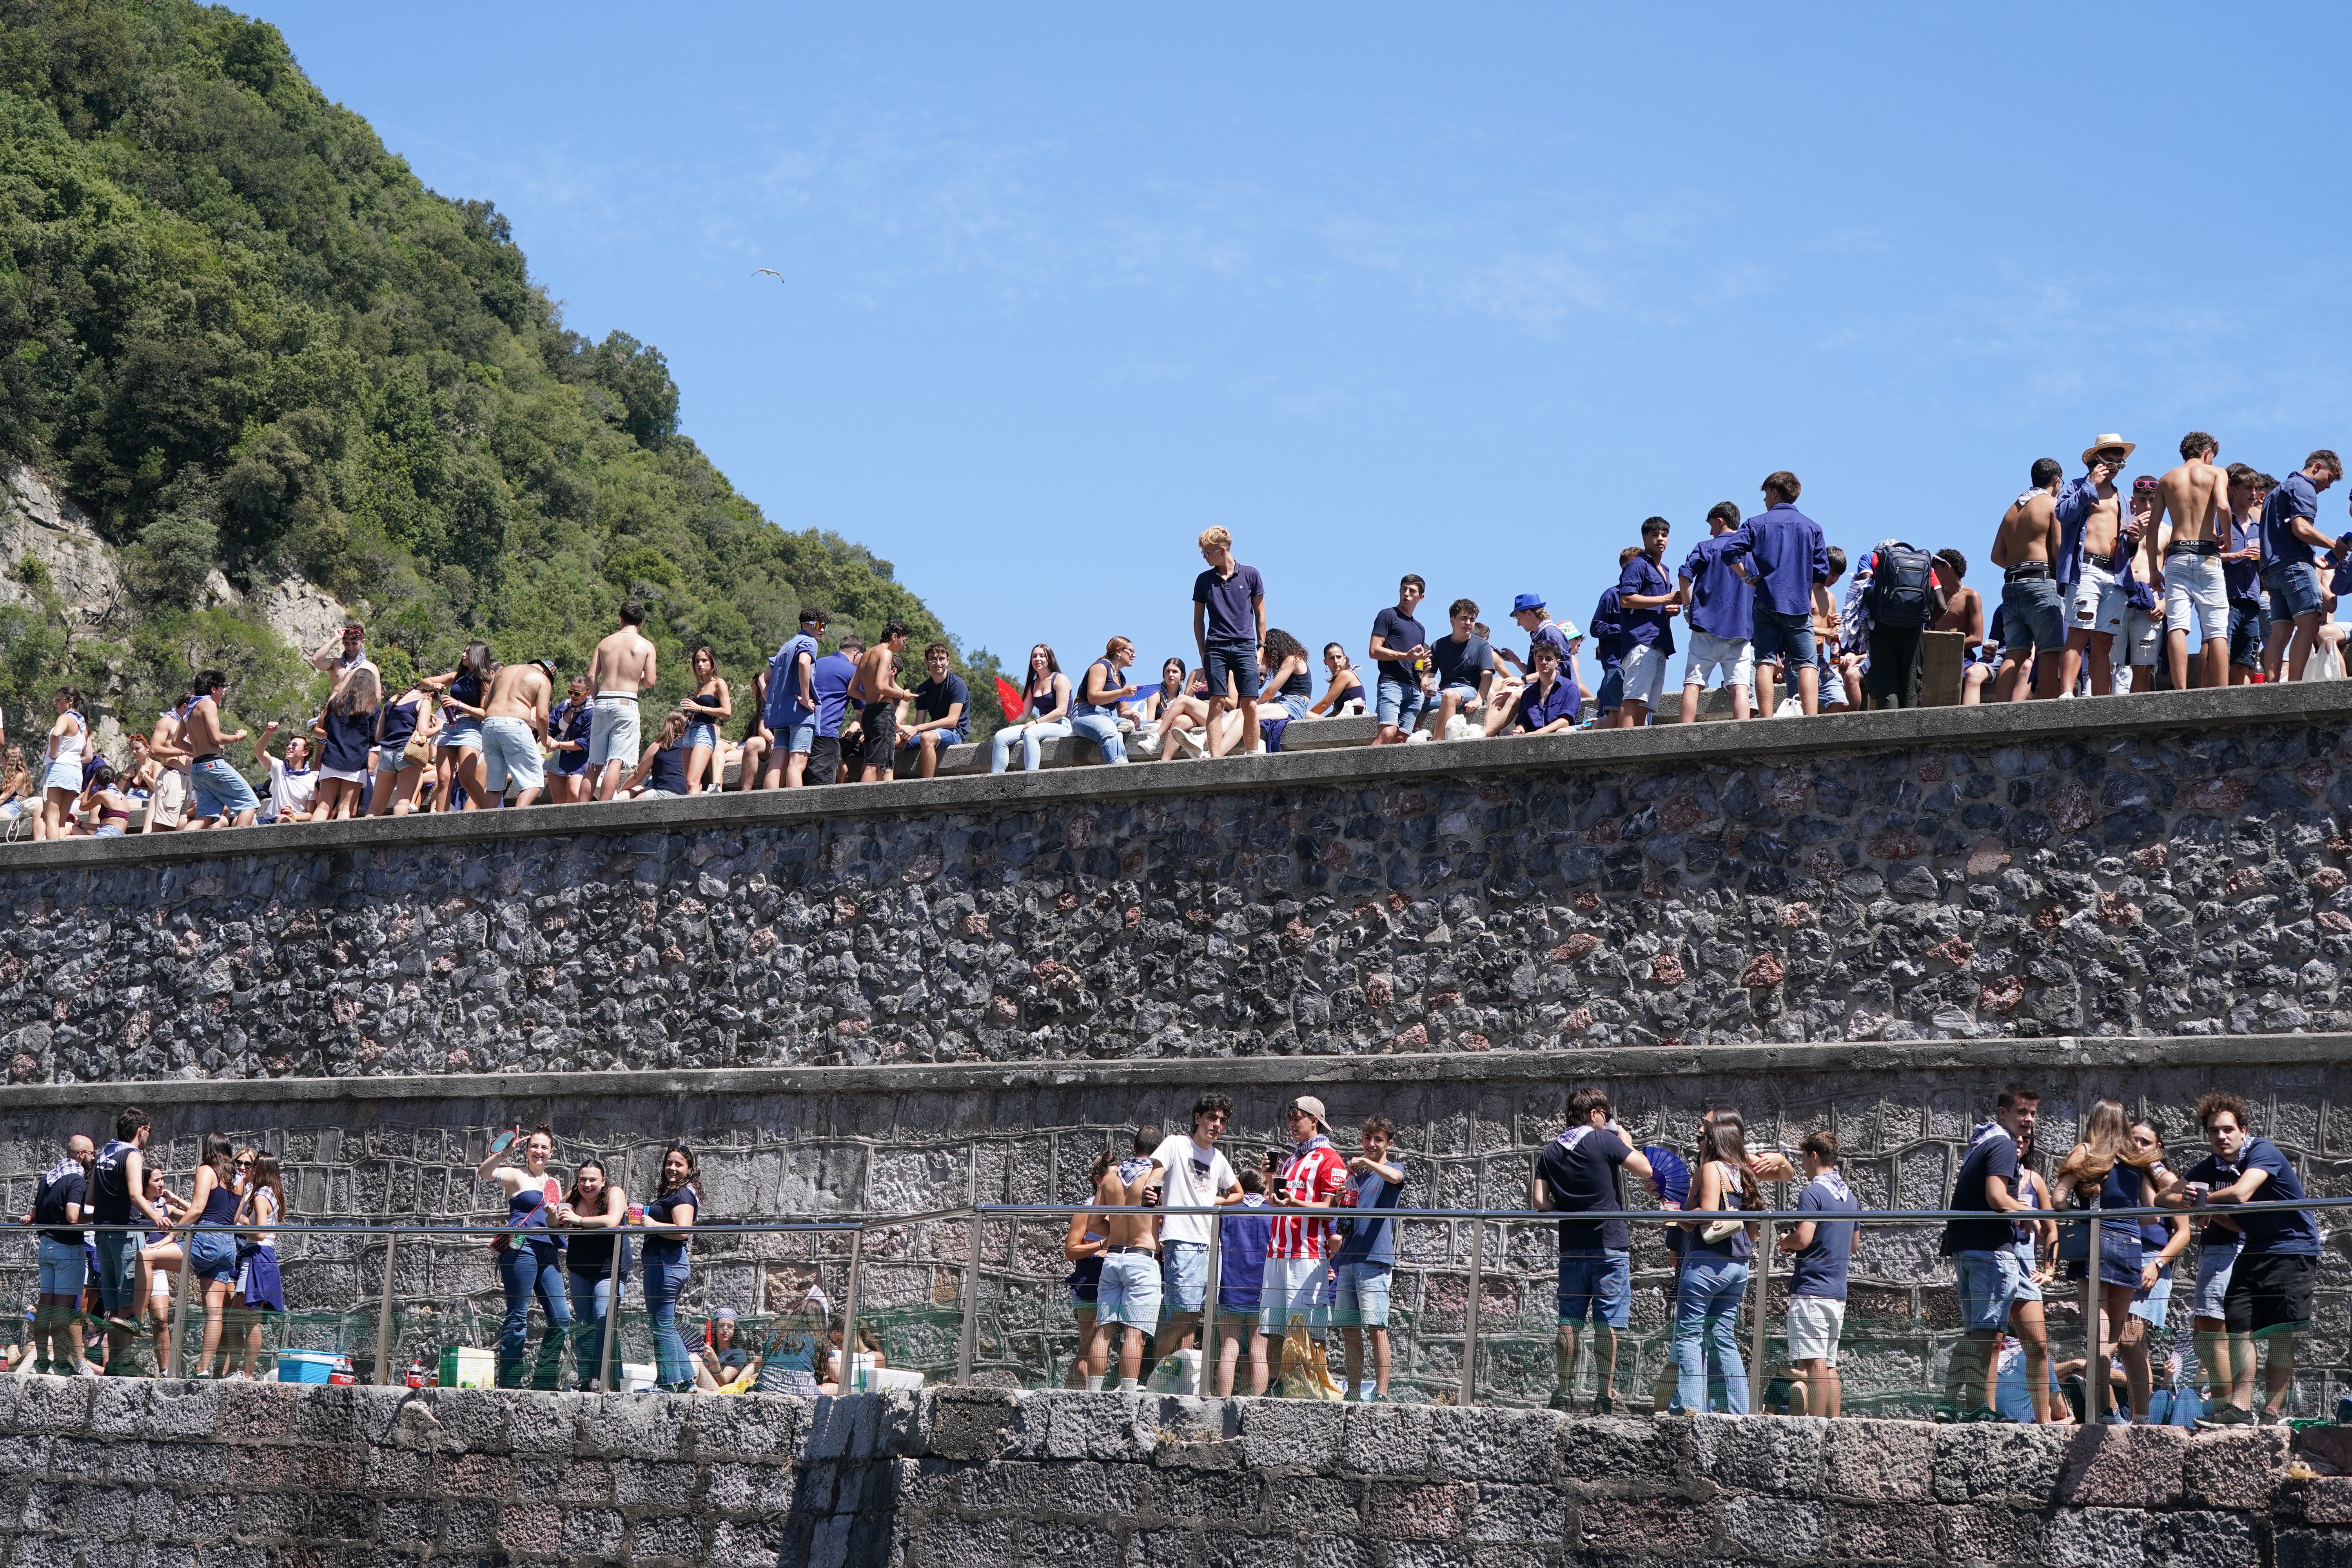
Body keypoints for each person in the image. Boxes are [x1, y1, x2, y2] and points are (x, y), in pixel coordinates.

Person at [2157, 1091, 2320, 1426]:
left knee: (2280, 1334)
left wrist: (2202, 1202)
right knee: (2238, 1328)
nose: (2222, 1136)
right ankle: (2241, 1409)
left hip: (2292, 1248)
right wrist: (2195, 1202)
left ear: (2243, 1131)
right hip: (2255, 1248)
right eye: (2214, 1131)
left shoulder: (2263, 1151)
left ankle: (2271, 1414)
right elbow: (2163, 1197)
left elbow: (2241, 1193)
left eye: (2228, 1129)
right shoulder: (2213, 1166)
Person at [2051, 1098, 2161, 1424]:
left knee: (2096, 1331)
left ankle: (2101, 1411)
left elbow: (2058, 1200)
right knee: (2113, 1334)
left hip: (2096, 1241)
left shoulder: (2086, 1151)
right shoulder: (2136, 1159)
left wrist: (2082, 1213)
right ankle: (2123, 1413)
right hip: (2130, 1246)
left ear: (2094, 1121)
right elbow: (2153, 1215)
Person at [1938, 1084, 2040, 1421]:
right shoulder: (2004, 1144)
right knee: (1988, 1333)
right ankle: (1979, 1407)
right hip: (1990, 1250)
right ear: (2002, 1113)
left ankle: (1956, 1405)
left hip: (1967, 1247)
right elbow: (1997, 1197)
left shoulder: (1982, 1142)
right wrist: (2030, 1214)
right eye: (2021, 1111)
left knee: (1975, 1332)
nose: (2028, 1119)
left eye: (2033, 1113)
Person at [1719, 475, 1830, 716]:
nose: (1765, 500)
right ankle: (1811, 719)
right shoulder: (1812, 527)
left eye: (1766, 494)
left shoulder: (1756, 523)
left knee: (1765, 661)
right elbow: (1821, 573)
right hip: (1798, 604)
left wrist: (1748, 578)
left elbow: (1729, 552)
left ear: (1775, 492)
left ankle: (1767, 720)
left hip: (1766, 599)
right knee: (1807, 664)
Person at [1147, 1093, 1240, 1368]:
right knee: (1179, 1316)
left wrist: (1213, 1201)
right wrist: (1151, 1188)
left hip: (1210, 1243)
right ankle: (1159, 1376)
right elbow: (1156, 1175)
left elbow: (1238, 1194)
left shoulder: (1219, 1158)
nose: (1217, 1125)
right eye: (1212, 1117)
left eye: (1223, 1121)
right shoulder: (1176, 1144)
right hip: (1182, 1239)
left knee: (1193, 1317)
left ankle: (1182, 1378)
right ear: (1198, 1118)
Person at [476, 1124, 572, 1390]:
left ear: (552, 1152)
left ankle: (544, 1380)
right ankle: (511, 1382)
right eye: (534, 1147)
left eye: (544, 1147)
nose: (539, 1151)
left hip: (548, 1249)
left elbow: (553, 1224)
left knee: (562, 1318)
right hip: (522, 1247)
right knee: (518, 1315)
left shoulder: (554, 1183)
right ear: (527, 1149)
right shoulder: (516, 1176)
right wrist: (504, 1152)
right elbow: (484, 1173)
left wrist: (553, 1214)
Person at [1264, 1096, 1349, 1373]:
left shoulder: (1331, 1159)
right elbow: (1277, 1203)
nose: (1291, 1123)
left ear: (1314, 1121)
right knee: (1273, 1333)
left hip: (1308, 1255)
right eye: (1289, 1118)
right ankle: (1276, 1388)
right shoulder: (1291, 1159)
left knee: (1307, 1334)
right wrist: (1270, 1177)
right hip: (1277, 1253)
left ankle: (1309, 1389)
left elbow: (1329, 1210)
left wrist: (1295, 1202)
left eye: (1296, 1118)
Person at [1777, 1130, 1856, 1417]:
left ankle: (1818, 1427)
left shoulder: (1812, 1193)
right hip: (1837, 1291)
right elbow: (1853, 1245)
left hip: (1811, 1289)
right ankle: (1835, 1426)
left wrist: (1786, 1240)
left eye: (1803, 1158)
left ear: (1814, 1156)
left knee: (1814, 1364)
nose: (1802, 1165)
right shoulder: (1850, 1198)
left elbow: (1803, 1238)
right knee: (1830, 1365)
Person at [2150, 432, 2233, 691]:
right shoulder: (2216, 473)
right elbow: (2223, 506)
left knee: (2177, 625)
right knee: (2216, 628)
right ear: (2207, 452)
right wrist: (2228, 536)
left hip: (2176, 555)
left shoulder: (2167, 479)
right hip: (2207, 553)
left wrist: (2154, 569)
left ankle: (2181, 692)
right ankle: (2222, 692)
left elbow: (2153, 528)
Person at [2054, 435, 2135, 697]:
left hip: (2115, 573)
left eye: (2119, 464)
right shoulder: (2078, 486)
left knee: (2104, 642)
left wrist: (2134, 539)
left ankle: (2102, 701)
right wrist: (2090, 485)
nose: (2114, 468)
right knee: (2078, 634)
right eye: (2109, 462)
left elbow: (2126, 545)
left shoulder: (2122, 497)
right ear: (2095, 461)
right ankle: (2067, 693)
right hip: (2085, 569)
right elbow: (2062, 514)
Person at [1332, 1115, 1405, 1403]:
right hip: (1348, 1259)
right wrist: (1340, 1199)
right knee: (1349, 1330)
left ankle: (1382, 1393)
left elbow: (1396, 1179)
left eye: (1378, 1139)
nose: (1371, 1144)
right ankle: (1353, 1391)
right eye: (1367, 1138)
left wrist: (1365, 1162)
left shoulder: (1392, 1168)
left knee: (1376, 1328)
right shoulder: (1356, 1178)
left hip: (1374, 1259)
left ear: (1389, 1143)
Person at [2122, 1122, 2191, 1421]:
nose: (2138, 1146)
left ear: (2158, 1148)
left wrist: (2157, 1264)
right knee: (2129, 1344)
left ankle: (2142, 1418)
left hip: (2151, 1259)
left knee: (2130, 1339)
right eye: (2133, 1140)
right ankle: (2134, 1416)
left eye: (2145, 1142)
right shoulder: (2123, 1174)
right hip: (2121, 1256)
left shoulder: (2167, 1179)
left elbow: (2184, 1233)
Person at [88, 1107, 163, 1370]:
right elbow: (135, 1194)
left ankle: (114, 1365)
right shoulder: (132, 1155)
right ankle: (125, 1363)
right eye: (149, 1131)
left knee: (114, 1308)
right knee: (129, 1305)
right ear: (141, 1131)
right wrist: (156, 1217)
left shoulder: (104, 1155)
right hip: (126, 1235)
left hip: (102, 1236)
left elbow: (90, 1199)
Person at [1087, 1130, 1163, 1392]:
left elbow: (1094, 1223)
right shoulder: (1155, 1179)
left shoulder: (1110, 1178)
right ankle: (1129, 1394)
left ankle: (1093, 1393)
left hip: (1113, 1258)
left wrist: (1116, 1233)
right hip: (1142, 1259)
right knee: (1134, 1333)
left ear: (1133, 1147)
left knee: (1104, 1331)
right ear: (1159, 1152)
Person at [2260, 450, 2344, 681]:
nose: (2328, 486)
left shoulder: (2277, 491)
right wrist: (2334, 545)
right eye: (2329, 478)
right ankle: (2294, 687)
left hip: (2272, 570)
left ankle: (2272, 686)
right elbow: (2301, 527)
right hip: (2293, 567)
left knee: (2281, 632)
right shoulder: (2304, 487)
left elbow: (2282, 534)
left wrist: (2313, 558)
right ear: (2317, 468)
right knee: (2309, 625)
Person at [1989, 460, 2069, 701]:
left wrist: (2020, 567)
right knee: (2049, 651)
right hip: (2041, 581)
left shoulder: (2012, 509)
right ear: (2057, 481)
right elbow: (2059, 550)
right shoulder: (2052, 505)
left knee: (2014, 652)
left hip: (2011, 584)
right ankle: (2049, 710)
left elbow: (1996, 556)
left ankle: (2000, 709)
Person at [554, 1157, 629, 1390]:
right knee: (584, 1324)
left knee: (603, 1319)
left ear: (603, 1181)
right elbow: (556, 1221)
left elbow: (612, 1220)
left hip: (609, 1268)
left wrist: (578, 1220)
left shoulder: (614, 1193)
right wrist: (554, 1214)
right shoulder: (573, 1196)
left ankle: (609, 1380)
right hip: (580, 1268)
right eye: (582, 1180)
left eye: (593, 1180)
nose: (587, 1185)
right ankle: (587, 1380)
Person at [1678, 501, 1755, 723]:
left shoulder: (1707, 547)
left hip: (1706, 623)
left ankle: (1683, 732)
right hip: (1741, 626)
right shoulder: (1750, 552)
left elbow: (1685, 576)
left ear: (1720, 521)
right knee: (1740, 686)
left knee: (1694, 683)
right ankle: (1742, 732)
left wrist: (1688, 608)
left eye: (1712, 525)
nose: (1711, 532)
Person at [1192, 526, 1266, 759]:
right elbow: (1198, 620)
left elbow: (1261, 615)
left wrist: (1261, 648)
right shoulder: (1203, 580)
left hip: (1245, 646)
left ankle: (1253, 753)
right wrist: (1203, 652)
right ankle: (1215, 757)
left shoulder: (1251, 574)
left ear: (1222, 550)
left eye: (1208, 552)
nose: (1205, 557)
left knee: (1250, 703)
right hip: (1216, 647)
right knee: (1216, 702)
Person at [25, 1134, 94, 1377]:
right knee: (66, 1312)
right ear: (81, 1155)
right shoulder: (76, 1179)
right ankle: (74, 1363)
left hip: (45, 1248)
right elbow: (73, 1217)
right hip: (68, 1250)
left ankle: (42, 1361)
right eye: (92, 1154)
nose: (93, 1158)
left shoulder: (48, 1179)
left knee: (45, 1308)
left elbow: (35, 1214)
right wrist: (98, 1218)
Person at [639, 1144, 701, 1392]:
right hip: (666, 1263)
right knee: (666, 1323)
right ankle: (685, 1381)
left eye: (679, 1164)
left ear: (689, 1169)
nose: (672, 1168)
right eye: (669, 1163)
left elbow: (683, 1230)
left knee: (660, 1323)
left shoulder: (683, 1195)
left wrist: (653, 1225)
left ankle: (667, 1383)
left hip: (667, 1263)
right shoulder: (675, 1193)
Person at [183, 1134, 245, 1378]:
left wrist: (171, 1235)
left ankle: (135, 1319)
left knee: (148, 1257)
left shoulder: (206, 1170)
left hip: (207, 1239)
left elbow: (197, 1209)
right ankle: (203, 1369)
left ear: (208, 1149)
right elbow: (235, 1218)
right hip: (228, 1245)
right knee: (216, 1313)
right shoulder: (239, 1180)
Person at [1612, 518, 1680, 728]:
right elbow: (1626, 599)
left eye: (1664, 535)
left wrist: (1671, 609)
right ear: (1645, 538)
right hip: (1641, 641)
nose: (1660, 539)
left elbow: (1656, 602)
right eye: (1655, 535)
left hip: (1660, 642)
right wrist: (1666, 599)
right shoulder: (1637, 565)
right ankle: (1626, 743)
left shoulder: (1664, 569)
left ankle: (1639, 741)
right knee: (1633, 697)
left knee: (1647, 704)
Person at [588, 600, 658, 801]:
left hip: (602, 701)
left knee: (594, 763)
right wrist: (639, 677)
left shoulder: (605, 643)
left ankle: (578, 809)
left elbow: (591, 677)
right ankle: (604, 809)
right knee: (616, 760)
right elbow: (650, 682)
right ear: (641, 622)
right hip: (626, 702)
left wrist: (598, 698)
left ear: (621, 619)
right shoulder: (646, 646)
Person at [1213, 1168, 1274, 1397]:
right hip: (1263, 1291)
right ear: (1263, 1187)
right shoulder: (1274, 1213)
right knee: (1259, 1352)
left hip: (1230, 1288)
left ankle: (1222, 1401)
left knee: (1228, 1350)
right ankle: (1257, 1406)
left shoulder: (1227, 1211)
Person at [230, 1152, 285, 1377]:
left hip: (257, 1256)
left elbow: (261, 1233)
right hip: (262, 1256)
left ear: (259, 1169)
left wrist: (236, 1227)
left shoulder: (261, 1197)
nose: (247, 1169)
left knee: (251, 1320)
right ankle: (240, 1371)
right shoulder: (273, 1194)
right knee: (238, 1317)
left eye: (251, 1165)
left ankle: (246, 1373)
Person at [423, 642, 495, 812]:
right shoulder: (457, 676)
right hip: (449, 727)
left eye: (468, 652)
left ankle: (490, 814)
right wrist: (434, 686)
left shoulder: (485, 682)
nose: (463, 655)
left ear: (477, 655)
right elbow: (425, 682)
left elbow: (485, 713)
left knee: (466, 778)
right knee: (443, 779)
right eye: (464, 651)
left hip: (470, 728)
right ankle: (441, 821)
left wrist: (459, 704)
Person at [760, 610, 827, 789]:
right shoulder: (809, 642)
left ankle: (768, 802)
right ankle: (796, 805)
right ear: (805, 625)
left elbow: (762, 680)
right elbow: (804, 662)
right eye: (818, 625)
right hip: (800, 714)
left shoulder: (786, 646)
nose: (822, 630)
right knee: (797, 765)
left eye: (825, 626)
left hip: (781, 715)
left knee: (777, 764)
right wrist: (805, 698)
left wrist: (773, 702)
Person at [1062, 1156, 1112, 1388]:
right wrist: (1101, 1245)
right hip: (1090, 1278)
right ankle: (1081, 1394)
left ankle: (1070, 1388)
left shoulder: (1119, 1209)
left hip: (1111, 1277)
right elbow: (1070, 1251)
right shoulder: (1087, 1210)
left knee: (1098, 1340)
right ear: (1099, 1180)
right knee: (1089, 1342)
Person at [478, 657, 552, 808]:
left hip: (490, 725)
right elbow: (543, 717)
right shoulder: (543, 679)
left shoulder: (503, 672)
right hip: (515, 726)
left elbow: (486, 704)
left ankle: (488, 823)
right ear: (546, 673)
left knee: (494, 786)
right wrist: (545, 740)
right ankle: (516, 820)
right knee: (533, 782)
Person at [312, 664, 383, 818]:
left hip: (332, 757)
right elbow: (375, 738)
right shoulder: (373, 708)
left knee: (324, 805)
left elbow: (326, 728)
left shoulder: (336, 702)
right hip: (356, 761)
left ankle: (313, 835)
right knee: (345, 807)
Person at [848, 620, 915, 782]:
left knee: (877, 763)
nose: (904, 646)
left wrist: (871, 697)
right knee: (875, 765)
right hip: (883, 714)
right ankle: (862, 798)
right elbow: (880, 686)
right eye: (904, 641)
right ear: (894, 637)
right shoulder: (886, 653)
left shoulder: (866, 654)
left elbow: (852, 690)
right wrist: (902, 695)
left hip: (869, 713)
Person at [991, 643, 1073, 773]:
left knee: (1031, 733)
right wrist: (1005, 704)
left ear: (1050, 659)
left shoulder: (1060, 679)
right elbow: (1023, 716)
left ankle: (1031, 776)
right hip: (1040, 725)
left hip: (1062, 725)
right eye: (1034, 656)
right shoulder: (1033, 685)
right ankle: (995, 778)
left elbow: (1061, 711)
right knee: (1000, 736)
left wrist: (1036, 722)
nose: (1037, 659)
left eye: (1042, 656)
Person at [1369, 575, 1431, 746]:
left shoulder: (1420, 628)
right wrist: (1406, 656)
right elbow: (1374, 651)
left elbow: (1415, 661)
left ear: (1421, 597)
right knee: (1387, 733)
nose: (1407, 594)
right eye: (1404, 589)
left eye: (1412, 591)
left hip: (1414, 689)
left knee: (1401, 740)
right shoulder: (1387, 615)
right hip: (1392, 683)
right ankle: (1365, 763)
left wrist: (1424, 666)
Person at [2223, 466, 2269, 685]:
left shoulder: (2260, 526)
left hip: (2252, 599)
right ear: (2233, 490)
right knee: (2219, 652)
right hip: (2226, 597)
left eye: (2256, 489)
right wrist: (2235, 555)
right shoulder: (2220, 520)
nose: (2253, 493)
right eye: (2248, 488)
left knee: (2244, 661)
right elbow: (2206, 556)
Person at [1426, 599, 1496, 740]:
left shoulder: (1481, 645)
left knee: (1450, 696)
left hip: (1470, 690)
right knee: (1412, 700)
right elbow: (1429, 676)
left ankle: (1437, 744)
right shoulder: (1439, 645)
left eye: (1472, 620)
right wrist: (1427, 686)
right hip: (1443, 691)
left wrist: (1478, 700)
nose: (1468, 623)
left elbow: (1487, 676)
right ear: (1452, 621)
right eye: (1464, 619)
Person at [368, 674, 438, 815]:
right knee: (402, 802)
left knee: (375, 806)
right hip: (408, 754)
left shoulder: (393, 700)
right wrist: (439, 727)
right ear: (431, 694)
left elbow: (378, 736)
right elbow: (423, 732)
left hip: (386, 753)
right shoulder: (424, 702)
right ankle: (398, 832)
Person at [899, 642, 972, 778]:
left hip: (955, 732)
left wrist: (919, 728)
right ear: (926, 662)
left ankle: (927, 784)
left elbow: (952, 721)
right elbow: (918, 724)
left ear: (948, 661)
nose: (938, 663)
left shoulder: (957, 685)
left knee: (927, 737)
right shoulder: (923, 688)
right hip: (933, 731)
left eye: (941, 659)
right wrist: (896, 727)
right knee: (892, 738)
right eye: (933, 659)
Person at [808, 633, 861, 785]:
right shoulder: (852, 671)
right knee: (821, 786)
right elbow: (864, 708)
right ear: (856, 652)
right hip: (825, 733)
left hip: (803, 729)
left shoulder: (817, 663)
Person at [676, 645, 731, 793]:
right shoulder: (700, 688)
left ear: (712, 663)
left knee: (692, 780)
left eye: (704, 661)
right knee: (690, 783)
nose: (700, 665)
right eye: (697, 662)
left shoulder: (719, 684)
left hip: (704, 732)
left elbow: (727, 712)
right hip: (689, 733)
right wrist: (688, 715)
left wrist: (699, 708)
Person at [37, 688, 89, 840]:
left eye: (58, 700)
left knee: (51, 818)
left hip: (58, 770)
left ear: (70, 701)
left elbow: (56, 734)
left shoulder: (65, 718)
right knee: (61, 821)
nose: (56, 704)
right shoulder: (84, 725)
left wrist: (54, 755)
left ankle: (53, 853)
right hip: (75, 772)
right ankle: (62, 853)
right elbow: (89, 757)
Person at [249, 722, 318, 826]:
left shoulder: (311, 781)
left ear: (305, 753)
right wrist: (269, 732)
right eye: (289, 744)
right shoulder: (279, 767)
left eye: (294, 745)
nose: (289, 747)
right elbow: (259, 753)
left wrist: (294, 816)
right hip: (269, 819)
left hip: (292, 822)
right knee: (239, 821)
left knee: (283, 819)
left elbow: (312, 813)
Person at [1505, 640, 1580, 734]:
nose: (1544, 662)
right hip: (1530, 739)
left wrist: (1540, 732)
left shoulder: (1570, 689)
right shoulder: (1528, 693)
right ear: (1535, 660)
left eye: (1549, 659)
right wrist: (1520, 729)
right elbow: (1523, 721)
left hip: (1556, 738)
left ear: (1557, 663)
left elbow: (1566, 720)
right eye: (1540, 658)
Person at [544, 674, 595, 804]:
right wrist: (545, 738)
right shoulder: (565, 705)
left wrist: (559, 744)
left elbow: (586, 742)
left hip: (579, 759)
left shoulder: (591, 712)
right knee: (559, 801)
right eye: (570, 692)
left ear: (588, 693)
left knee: (576, 794)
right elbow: (550, 727)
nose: (573, 696)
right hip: (556, 757)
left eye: (577, 694)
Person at [622, 711, 694, 799]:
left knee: (634, 800)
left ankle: (614, 801)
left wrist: (621, 790)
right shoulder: (691, 747)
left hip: (664, 793)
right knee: (639, 788)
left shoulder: (659, 746)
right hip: (688, 793)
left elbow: (636, 776)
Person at [1255, 629, 1312, 730]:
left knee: (1246, 714)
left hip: (1292, 706)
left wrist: (1255, 705)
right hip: (1289, 704)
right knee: (1237, 714)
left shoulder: (1292, 660)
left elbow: (1270, 692)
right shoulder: (1292, 661)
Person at [695, 1308, 756, 1392]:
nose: (725, 1329)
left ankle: (689, 1387)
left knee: (695, 1358)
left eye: (730, 1327)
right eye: (721, 1326)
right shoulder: (706, 1349)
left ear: (735, 1330)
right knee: (694, 1357)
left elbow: (723, 1383)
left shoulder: (738, 1354)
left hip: (720, 1391)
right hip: (702, 1387)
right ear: (715, 1328)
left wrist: (714, 1361)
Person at [1309, 643, 1369, 719]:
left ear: (1345, 659)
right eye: (1331, 658)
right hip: (1344, 719)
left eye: (1339, 657)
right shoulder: (1337, 680)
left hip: (1351, 720)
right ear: (1325, 662)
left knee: (1301, 712)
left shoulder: (1345, 675)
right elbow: (1335, 713)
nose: (1336, 661)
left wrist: (1305, 719)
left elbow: (1324, 704)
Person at [75, 762, 133, 838]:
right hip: (113, 833)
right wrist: (80, 824)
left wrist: (91, 784)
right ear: (114, 780)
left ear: (97, 781)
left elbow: (83, 807)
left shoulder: (103, 795)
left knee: (67, 835)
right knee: (70, 828)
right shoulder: (122, 797)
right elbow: (107, 825)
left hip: (107, 833)